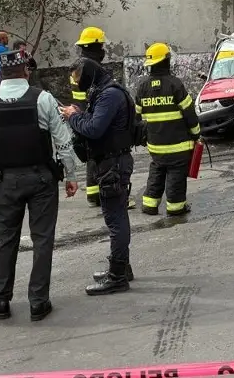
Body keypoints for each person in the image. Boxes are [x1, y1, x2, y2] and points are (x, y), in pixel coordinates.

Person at [0, 50, 78, 321]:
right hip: (41, 178)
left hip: (5, 181)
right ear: (26, 71)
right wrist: (71, 175)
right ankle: (38, 301)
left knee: (5, 240)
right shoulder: (43, 99)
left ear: (0, 73)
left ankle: (1, 301)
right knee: (42, 239)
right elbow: (63, 140)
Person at [60, 58, 136, 295]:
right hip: (110, 162)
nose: (76, 83)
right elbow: (97, 122)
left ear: (88, 75)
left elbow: (94, 129)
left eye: (77, 78)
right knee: (117, 217)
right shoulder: (104, 92)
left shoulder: (109, 95)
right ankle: (122, 268)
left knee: (116, 220)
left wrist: (73, 117)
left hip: (112, 163)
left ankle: (117, 276)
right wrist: (79, 114)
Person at [70, 26, 136, 210]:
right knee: (102, 155)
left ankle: (94, 194)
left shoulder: (78, 67)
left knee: (92, 156)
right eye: (102, 46)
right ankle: (111, 194)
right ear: (96, 46)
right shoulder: (93, 69)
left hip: (82, 115)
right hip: (93, 115)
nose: (103, 51)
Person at [136, 43, 200, 217]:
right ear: (167, 60)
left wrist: (144, 138)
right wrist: (196, 134)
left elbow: (136, 118)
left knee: (157, 170)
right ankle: (175, 207)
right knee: (176, 174)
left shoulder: (142, 87)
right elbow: (189, 114)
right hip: (177, 145)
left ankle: (150, 204)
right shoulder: (175, 85)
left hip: (155, 145)